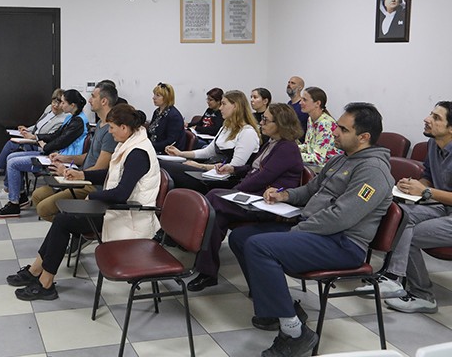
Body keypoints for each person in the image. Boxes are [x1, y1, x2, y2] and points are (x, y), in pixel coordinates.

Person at [228, 102, 394, 357]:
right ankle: (278, 308)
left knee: (260, 246)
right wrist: (284, 196)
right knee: (240, 237)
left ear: (364, 137)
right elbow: (310, 190)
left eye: (342, 129)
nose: (334, 132)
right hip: (317, 232)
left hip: (343, 244)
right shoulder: (341, 159)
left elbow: (342, 217)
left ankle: (295, 332)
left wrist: (299, 229)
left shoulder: (373, 171)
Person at [5, 104, 161, 301]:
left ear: (124, 128)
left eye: (112, 127)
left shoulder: (138, 152)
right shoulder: (130, 143)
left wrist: (93, 196)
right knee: (63, 219)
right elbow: (112, 174)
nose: (110, 132)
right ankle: (37, 271)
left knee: (63, 221)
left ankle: (44, 281)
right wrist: (82, 174)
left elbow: (121, 193)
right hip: (117, 211)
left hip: (130, 217)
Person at [187, 104, 304, 292]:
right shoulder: (272, 142)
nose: (261, 123)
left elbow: (262, 178)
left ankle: (191, 237)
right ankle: (207, 272)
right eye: (262, 119)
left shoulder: (287, 148)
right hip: (255, 197)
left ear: (281, 124)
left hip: (269, 204)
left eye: (266, 120)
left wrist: (234, 192)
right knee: (217, 216)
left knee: (214, 197)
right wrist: (233, 169)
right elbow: (254, 168)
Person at [355, 101, 452, 314]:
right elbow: (428, 177)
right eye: (430, 114)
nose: (427, 119)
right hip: (442, 207)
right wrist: (413, 186)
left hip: (446, 211)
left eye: (437, 118)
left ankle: (423, 296)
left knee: (412, 236)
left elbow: (430, 191)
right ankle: (393, 277)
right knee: (399, 216)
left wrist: (425, 192)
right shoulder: (433, 146)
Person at [0, 89, 88, 218]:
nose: (61, 105)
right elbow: (56, 135)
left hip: (64, 160)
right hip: (55, 154)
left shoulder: (78, 122)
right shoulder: (71, 118)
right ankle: (21, 197)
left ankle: (14, 204)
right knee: (10, 157)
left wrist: (45, 147)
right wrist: (36, 138)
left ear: (72, 105)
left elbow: (61, 142)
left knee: (14, 163)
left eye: (63, 102)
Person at [31, 81, 119, 222]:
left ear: (104, 101)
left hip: (91, 185)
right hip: (82, 176)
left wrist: (76, 175)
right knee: (37, 195)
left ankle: (75, 228)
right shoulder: (99, 124)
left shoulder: (110, 131)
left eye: (93, 96)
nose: (89, 100)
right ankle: (70, 226)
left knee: (44, 209)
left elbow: (100, 168)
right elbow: (88, 156)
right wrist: (64, 159)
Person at [162, 90, 261, 193]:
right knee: (166, 164)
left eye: (223, 104)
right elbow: (207, 152)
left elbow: (233, 167)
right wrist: (180, 153)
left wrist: (200, 166)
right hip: (211, 171)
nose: (220, 108)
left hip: (224, 179)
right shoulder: (226, 128)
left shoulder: (248, 133)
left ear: (235, 106)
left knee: (166, 166)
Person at [0, 89, 68, 181]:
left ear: (64, 104)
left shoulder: (62, 120)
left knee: (12, 144)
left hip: (41, 145)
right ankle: (8, 188)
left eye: (59, 103)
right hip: (32, 138)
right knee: (12, 152)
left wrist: (33, 136)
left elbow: (50, 137)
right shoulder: (49, 109)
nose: (55, 105)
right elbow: (38, 125)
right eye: (53, 102)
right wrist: (27, 129)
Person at [298, 87, 342, 166]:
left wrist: (292, 154)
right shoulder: (310, 120)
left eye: (304, 100)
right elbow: (308, 146)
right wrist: (291, 148)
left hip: (328, 168)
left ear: (317, 103)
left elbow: (318, 159)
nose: (300, 103)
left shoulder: (325, 124)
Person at [148, 82, 187, 152]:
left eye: (158, 95)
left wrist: (150, 146)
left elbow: (171, 141)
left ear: (166, 98)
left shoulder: (174, 116)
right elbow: (150, 132)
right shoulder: (157, 112)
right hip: (153, 147)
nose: (153, 98)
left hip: (167, 151)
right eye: (154, 94)